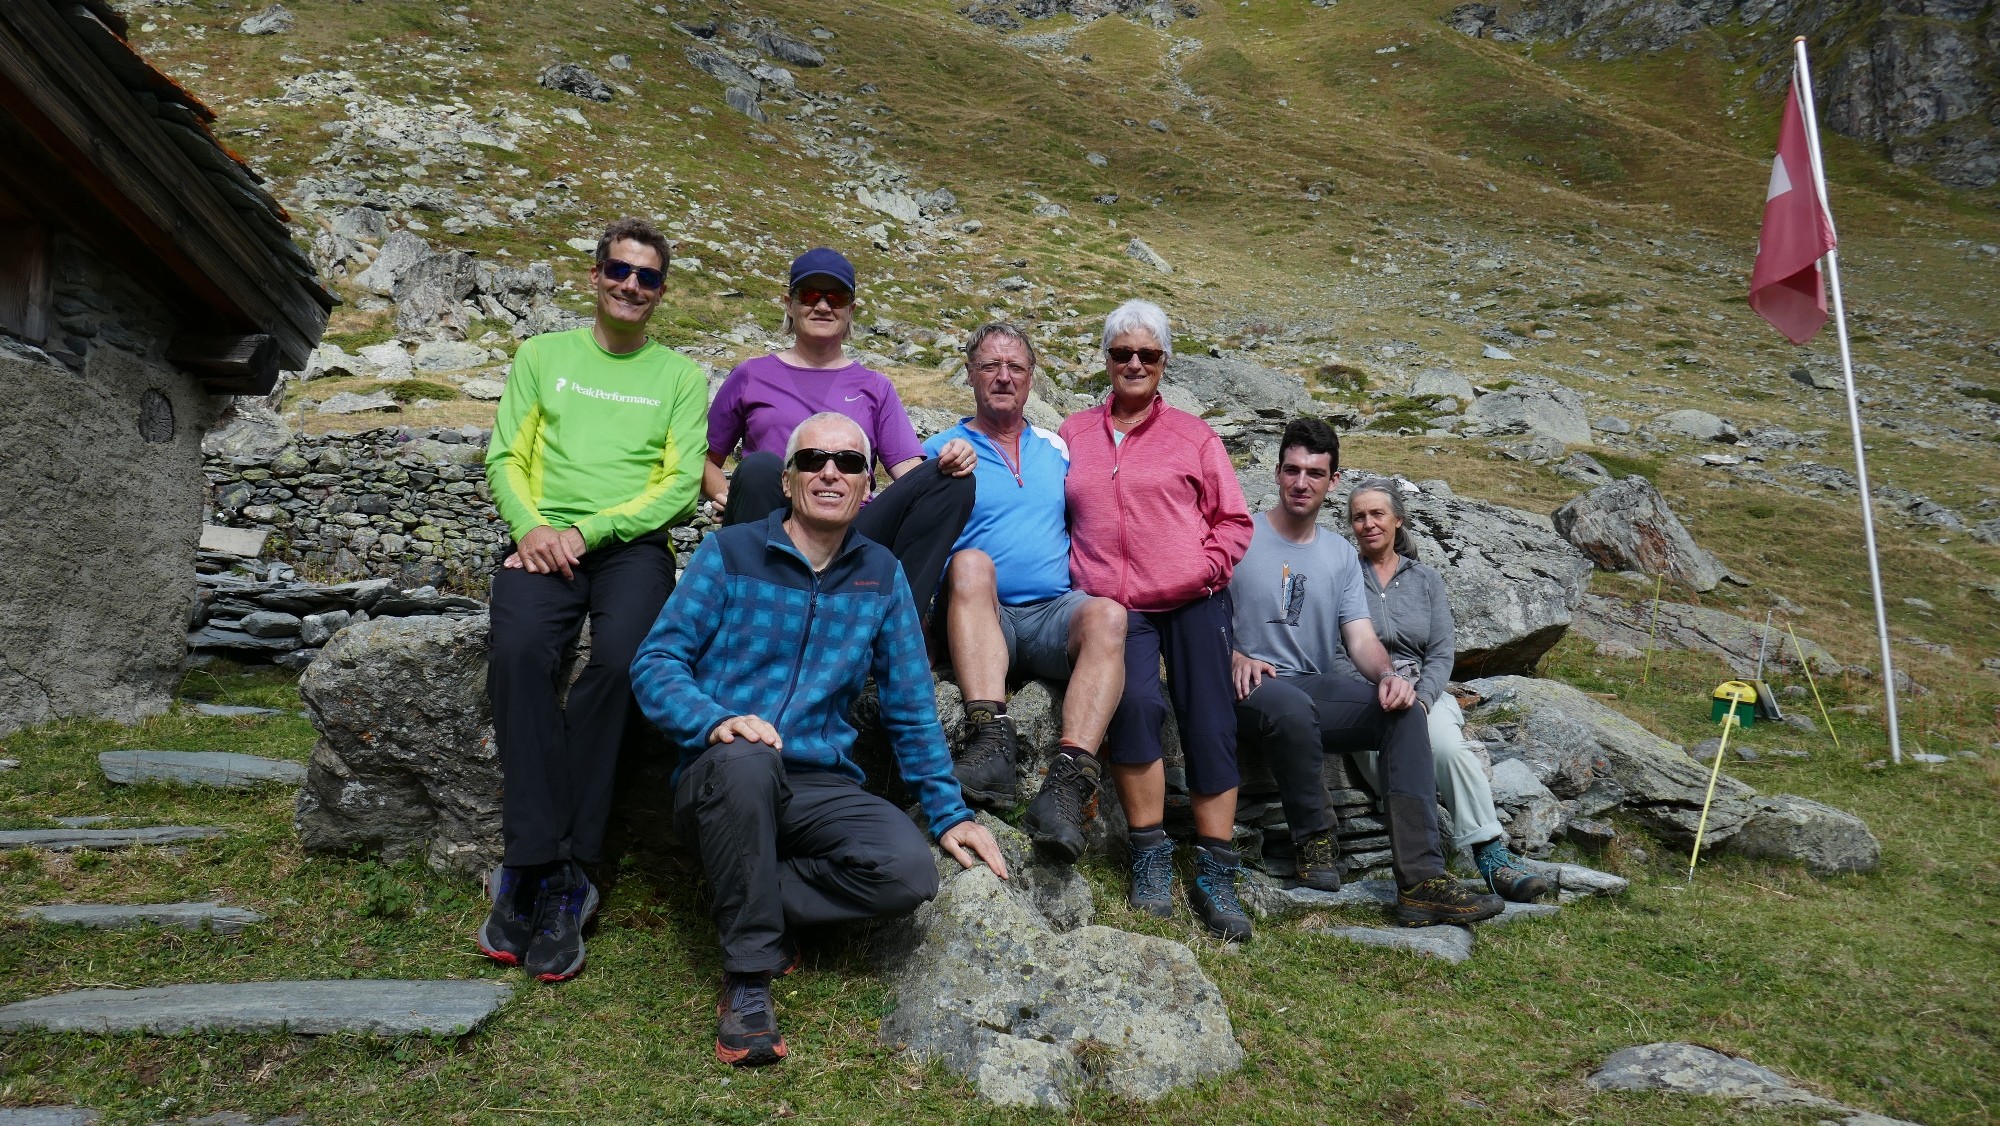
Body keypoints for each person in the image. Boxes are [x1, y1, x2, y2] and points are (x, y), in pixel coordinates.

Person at [631, 412, 1009, 1068]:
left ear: (869, 486)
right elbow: (656, 662)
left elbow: (912, 704)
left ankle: (742, 886)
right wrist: (712, 720)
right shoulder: (730, 555)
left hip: (817, 785)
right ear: (787, 480)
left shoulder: (881, 575)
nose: (829, 471)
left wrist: (951, 812)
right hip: (724, 774)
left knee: (909, 870)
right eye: (812, 461)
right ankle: (749, 981)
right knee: (747, 761)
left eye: (848, 462)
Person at [478, 217, 710, 982]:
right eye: (620, 270)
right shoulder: (543, 356)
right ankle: (534, 863)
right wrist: (533, 526)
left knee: (619, 664)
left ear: (661, 292)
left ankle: (567, 872)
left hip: (631, 548)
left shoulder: (678, 377)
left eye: (647, 277)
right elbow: (506, 454)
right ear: (596, 274)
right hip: (539, 541)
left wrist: (589, 531)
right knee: (518, 654)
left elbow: (679, 486)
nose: (631, 286)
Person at [1229, 418, 1504, 926]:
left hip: (1312, 686)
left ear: (1333, 481)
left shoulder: (1338, 554)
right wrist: (1232, 655)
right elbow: (1199, 614)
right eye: (1292, 470)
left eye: (1315, 472)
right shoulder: (1239, 536)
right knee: (1288, 705)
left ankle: (1422, 882)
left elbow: (1359, 636)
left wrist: (1389, 677)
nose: (1301, 482)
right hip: (1246, 688)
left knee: (1402, 713)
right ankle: (1312, 839)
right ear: (1276, 473)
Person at [1060, 299, 1256, 941]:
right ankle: (1149, 855)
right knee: (1137, 706)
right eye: (1122, 354)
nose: (1135, 363)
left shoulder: (1195, 436)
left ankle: (1214, 868)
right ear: (1107, 360)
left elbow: (1234, 521)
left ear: (1164, 361)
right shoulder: (1073, 433)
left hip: (1195, 597)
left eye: (1147, 354)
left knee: (1210, 716)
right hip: (1117, 606)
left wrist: (1204, 570)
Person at [925, 323, 1127, 860]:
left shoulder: (1057, 448)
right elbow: (908, 533)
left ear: (1032, 378)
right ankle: (990, 738)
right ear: (969, 373)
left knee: (1108, 615)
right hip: (980, 613)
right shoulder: (943, 449)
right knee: (969, 563)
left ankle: (1064, 785)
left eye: (1015, 366)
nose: (1003, 376)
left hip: (1051, 612)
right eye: (990, 365)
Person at [703, 247, 975, 614]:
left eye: (836, 297)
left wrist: (954, 460)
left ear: (851, 310)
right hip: (774, 521)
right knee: (761, 468)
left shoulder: (875, 387)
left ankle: (895, 622)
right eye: (810, 295)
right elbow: (706, 458)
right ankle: (759, 611)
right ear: (789, 303)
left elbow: (909, 473)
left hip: (852, 526)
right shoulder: (750, 375)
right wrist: (725, 494)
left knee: (952, 479)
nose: (822, 306)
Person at [1333, 477, 1552, 902]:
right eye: (1358, 517)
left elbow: (1441, 650)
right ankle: (1428, 874)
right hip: (1364, 697)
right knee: (1389, 771)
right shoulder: (1341, 577)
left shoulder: (1426, 579)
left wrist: (1424, 699)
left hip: (1423, 695)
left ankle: (1492, 858)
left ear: (1398, 519)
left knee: (1450, 751)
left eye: (1377, 514)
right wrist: (1371, 689)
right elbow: (1335, 651)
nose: (1368, 523)